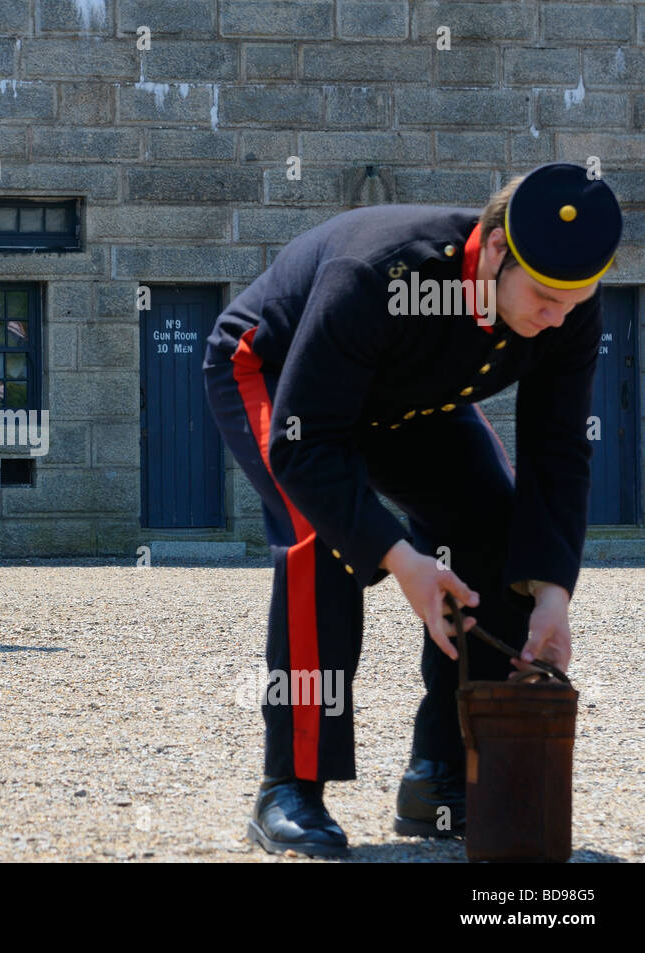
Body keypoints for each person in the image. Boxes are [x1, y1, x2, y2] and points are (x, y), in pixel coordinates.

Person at [203, 163, 622, 857]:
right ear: (493, 252)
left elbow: (558, 451)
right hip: (278, 375)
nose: (557, 319)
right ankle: (291, 783)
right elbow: (307, 448)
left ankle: (439, 775)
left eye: (573, 305)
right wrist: (401, 560)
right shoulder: (382, 274)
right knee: (325, 538)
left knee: (494, 523)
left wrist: (551, 594)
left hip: (408, 400)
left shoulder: (568, 305)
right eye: (546, 299)